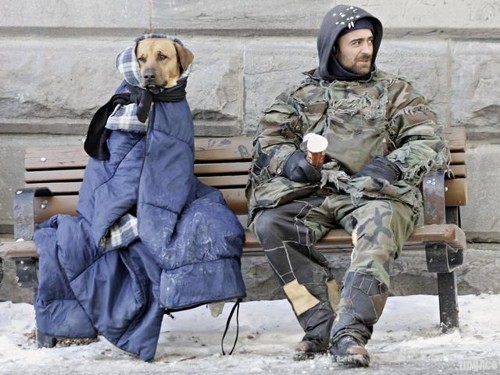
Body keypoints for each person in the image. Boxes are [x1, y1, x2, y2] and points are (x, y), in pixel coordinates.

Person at [245, 4, 450, 368]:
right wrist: (291, 162)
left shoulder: (395, 91)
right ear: (333, 47)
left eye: (370, 41)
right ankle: (319, 325)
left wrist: (391, 164)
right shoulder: (301, 94)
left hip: (375, 194)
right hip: (315, 194)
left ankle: (351, 333)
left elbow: (428, 140)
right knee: (270, 223)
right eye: (356, 42)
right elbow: (269, 140)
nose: (366, 50)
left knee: (380, 226)